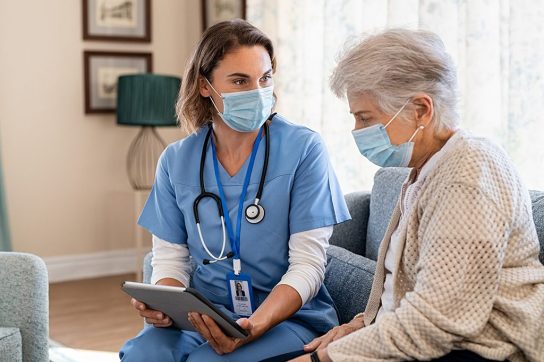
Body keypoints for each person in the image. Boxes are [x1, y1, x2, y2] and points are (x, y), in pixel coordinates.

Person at [293, 29, 544, 362]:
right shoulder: (427, 170)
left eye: (365, 117)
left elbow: (434, 324)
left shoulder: (466, 177)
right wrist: (360, 324)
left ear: (421, 110)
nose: (357, 131)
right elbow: (405, 288)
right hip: (436, 341)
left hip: (484, 350)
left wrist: (322, 359)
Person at [119, 19, 350, 362]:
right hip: (203, 316)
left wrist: (251, 327)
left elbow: (308, 265)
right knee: (144, 354)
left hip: (284, 318)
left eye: (265, 78)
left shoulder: (303, 149)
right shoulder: (176, 160)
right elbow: (171, 260)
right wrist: (163, 305)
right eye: (240, 81)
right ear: (205, 86)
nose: (257, 92)